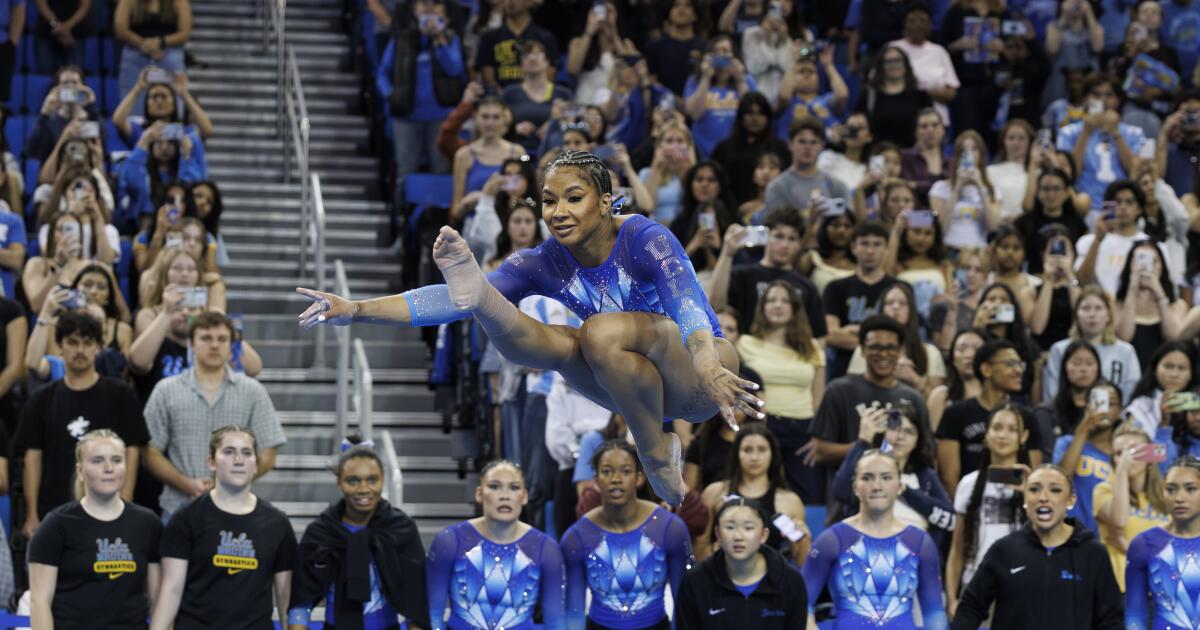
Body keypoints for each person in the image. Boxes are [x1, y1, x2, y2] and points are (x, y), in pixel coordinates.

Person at [298, 150, 764, 507]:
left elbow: (689, 309)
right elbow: (445, 300)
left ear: (605, 203)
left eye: (574, 198)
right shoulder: (543, 260)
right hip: (629, 384)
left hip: (701, 376)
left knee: (596, 332)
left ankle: (655, 450)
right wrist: (356, 308)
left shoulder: (645, 238)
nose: (558, 211)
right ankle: (485, 299)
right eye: (549, 200)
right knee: (550, 342)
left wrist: (709, 366)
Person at [16, 312, 149, 539]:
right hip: (53, 509)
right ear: (59, 346)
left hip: (110, 507)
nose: (80, 350)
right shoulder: (41, 399)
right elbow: (32, 457)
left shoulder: (121, 394)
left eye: (88, 343)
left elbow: (132, 450)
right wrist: (31, 515)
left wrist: (126, 501)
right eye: (72, 342)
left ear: (98, 347)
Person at [149, 427, 296, 630]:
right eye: (228, 452)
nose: (238, 460)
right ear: (211, 462)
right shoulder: (186, 518)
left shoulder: (277, 523)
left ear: (255, 464)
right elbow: (171, 589)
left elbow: (284, 595)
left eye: (246, 453)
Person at [142, 312, 285, 520]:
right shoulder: (166, 390)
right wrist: (187, 484)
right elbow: (149, 452)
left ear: (231, 346)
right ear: (191, 343)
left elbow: (269, 453)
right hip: (177, 509)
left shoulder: (253, 391)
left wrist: (230, 481)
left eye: (222, 339)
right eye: (206, 338)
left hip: (238, 509)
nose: (215, 345)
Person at [950, 465, 1123, 629]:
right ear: (1025, 499)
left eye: (1055, 490)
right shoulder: (1003, 550)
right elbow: (970, 608)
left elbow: (1111, 620)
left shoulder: (1093, 553)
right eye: (1034, 489)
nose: (1043, 497)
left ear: (1071, 500)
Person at [289, 437, 430, 629]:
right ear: (339, 482)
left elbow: (417, 603)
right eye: (353, 481)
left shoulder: (400, 529)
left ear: (383, 479)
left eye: (372, 480)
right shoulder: (320, 533)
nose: (363, 489)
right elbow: (301, 602)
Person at [28, 430, 163, 629]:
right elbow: (39, 601)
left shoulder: (148, 523)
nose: (108, 468)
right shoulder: (56, 524)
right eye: (97, 461)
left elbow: (158, 600)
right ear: (80, 471)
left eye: (117, 460)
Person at [802, 449, 948, 630]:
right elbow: (801, 603)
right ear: (855, 487)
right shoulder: (831, 540)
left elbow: (934, 613)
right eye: (867, 478)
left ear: (900, 486)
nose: (877, 486)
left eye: (886, 478)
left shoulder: (919, 541)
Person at [560, 440, 693, 629]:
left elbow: (684, 603)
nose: (616, 479)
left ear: (639, 478)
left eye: (625, 471)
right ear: (596, 481)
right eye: (607, 471)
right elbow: (574, 611)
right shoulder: (576, 538)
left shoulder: (671, 529)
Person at [425, 459, 564, 629]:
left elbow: (555, 622)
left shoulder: (547, 549)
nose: (504, 495)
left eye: (514, 488)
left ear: (524, 496)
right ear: (479, 494)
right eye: (494, 486)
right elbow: (433, 614)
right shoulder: (449, 541)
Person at [734, 281, 825, 503]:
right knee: (758, 495)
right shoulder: (744, 343)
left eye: (785, 301)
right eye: (772, 300)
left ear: (795, 308)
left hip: (803, 432)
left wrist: (819, 436)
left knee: (809, 497)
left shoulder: (812, 347)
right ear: (762, 307)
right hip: (762, 428)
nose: (778, 305)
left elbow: (819, 397)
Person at [943, 404, 1033, 615]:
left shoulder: (1034, 484)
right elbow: (957, 549)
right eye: (997, 427)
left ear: (1024, 436)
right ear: (987, 435)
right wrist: (952, 598)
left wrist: (1031, 493)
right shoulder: (969, 484)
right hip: (976, 586)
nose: (1003, 435)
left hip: (1022, 589)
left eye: (1012, 429)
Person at [808, 315, 929, 470]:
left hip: (900, 490)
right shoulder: (839, 391)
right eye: (875, 347)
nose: (883, 354)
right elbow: (819, 451)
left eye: (890, 347)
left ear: (899, 351)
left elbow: (925, 453)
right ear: (862, 350)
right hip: (848, 489)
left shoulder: (913, 398)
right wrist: (864, 445)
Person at [376, 0, 464, 210]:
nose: (428, 8)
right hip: (406, 118)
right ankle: (402, 230)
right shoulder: (401, 38)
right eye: (423, 4)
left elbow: (454, 68)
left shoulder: (449, 37)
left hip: (441, 118)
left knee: (441, 175)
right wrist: (390, 95)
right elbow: (382, 74)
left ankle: (436, 230)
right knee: (405, 176)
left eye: (434, 4)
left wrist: (439, 39)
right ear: (414, 9)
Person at [674, 497, 808, 629]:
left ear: (763, 535)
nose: (738, 537)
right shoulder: (695, 582)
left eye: (748, 528)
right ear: (718, 534)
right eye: (730, 527)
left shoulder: (791, 581)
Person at [833, 402, 955, 543]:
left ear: (917, 441)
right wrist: (863, 441)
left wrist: (905, 491)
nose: (900, 436)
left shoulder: (924, 475)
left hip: (916, 554)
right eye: (894, 428)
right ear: (883, 431)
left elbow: (950, 520)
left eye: (909, 431)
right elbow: (841, 492)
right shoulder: (866, 467)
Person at [936, 339, 1045, 498]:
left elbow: (1034, 475)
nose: (1018, 371)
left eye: (1020, 364)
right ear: (987, 369)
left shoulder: (1027, 417)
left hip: (1017, 503)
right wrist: (967, 512)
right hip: (968, 501)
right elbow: (948, 478)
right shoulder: (956, 413)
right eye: (1010, 364)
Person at [698, 422, 811, 562]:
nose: (755, 457)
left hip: (771, 580)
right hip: (720, 575)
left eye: (762, 449)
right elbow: (699, 549)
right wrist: (714, 549)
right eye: (747, 450)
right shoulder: (714, 493)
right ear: (736, 454)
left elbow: (802, 563)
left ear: (772, 454)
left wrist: (805, 542)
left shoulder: (790, 501)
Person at [708, 208, 826, 338]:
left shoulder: (807, 287)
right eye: (779, 236)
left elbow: (819, 336)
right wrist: (727, 253)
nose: (785, 245)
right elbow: (716, 307)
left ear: (799, 244)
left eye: (792, 239)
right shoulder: (742, 275)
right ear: (765, 237)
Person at [1093, 422, 1170, 593]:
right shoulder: (1103, 490)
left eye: (1134, 450)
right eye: (1119, 453)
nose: (1126, 457)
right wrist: (1121, 471)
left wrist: (1127, 546)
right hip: (1122, 589)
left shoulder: (1168, 498)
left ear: (1150, 456)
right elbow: (1119, 521)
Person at [1124, 456, 1200, 629]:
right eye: (1171, 489)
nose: (1179, 498)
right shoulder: (1144, 544)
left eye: (1190, 489)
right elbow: (1135, 615)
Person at [1054, 74, 1146, 209]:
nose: (1103, 100)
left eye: (1109, 95)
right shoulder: (1068, 132)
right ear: (1086, 99)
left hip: (1124, 208)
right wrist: (1086, 132)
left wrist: (1116, 133)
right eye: (1096, 95)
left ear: (1118, 100)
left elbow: (1135, 172)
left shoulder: (1134, 133)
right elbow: (1069, 176)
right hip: (1084, 207)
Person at [821, 221, 895, 379]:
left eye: (877, 244)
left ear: (887, 248)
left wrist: (852, 331)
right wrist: (880, 345)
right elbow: (830, 335)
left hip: (888, 373)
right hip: (842, 372)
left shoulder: (899, 289)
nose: (870, 250)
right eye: (864, 243)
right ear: (854, 247)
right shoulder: (836, 288)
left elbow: (904, 336)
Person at [1042, 286, 1142, 404]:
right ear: (1076, 315)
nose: (1092, 314)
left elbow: (1132, 393)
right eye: (1086, 308)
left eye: (1098, 308)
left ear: (1108, 315)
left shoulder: (1126, 351)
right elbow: (1052, 392)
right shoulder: (1059, 349)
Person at [846, 282, 946, 397]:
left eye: (902, 303)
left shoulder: (931, 353)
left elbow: (938, 402)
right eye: (889, 303)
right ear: (882, 309)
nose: (896, 307)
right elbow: (851, 393)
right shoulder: (864, 350)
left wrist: (915, 379)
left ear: (911, 310)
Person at [1054, 379, 1123, 533]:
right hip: (1070, 535)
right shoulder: (1067, 443)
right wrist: (1083, 429)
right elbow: (1059, 480)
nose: (1104, 410)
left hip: (1108, 541)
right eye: (1098, 402)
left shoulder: (1123, 452)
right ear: (1087, 406)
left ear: (1120, 411)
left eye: (1110, 404)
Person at [450, 97, 524, 225]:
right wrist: (468, 202)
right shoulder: (464, 155)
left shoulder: (517, 152)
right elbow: (455, 212)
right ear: (476, 118)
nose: (490, 123)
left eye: (496, 117)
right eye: (485, 117)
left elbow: (522, 199)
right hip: (475, 225)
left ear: (504, 119)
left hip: (508, 224)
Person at [1115, 240, 1188, 368]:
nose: (1145, 265)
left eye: (1153, 261)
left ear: (1162, 266)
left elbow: (1173, 338)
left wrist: (1159, 293)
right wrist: (1132, 290)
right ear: (1129, 265)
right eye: (1139, 260)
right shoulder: (1116, 304)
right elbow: (1124, 337)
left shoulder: (1177, 305)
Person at [710, 92, 790, 207]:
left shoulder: (780, 148)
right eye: (750, 113)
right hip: (730, 210)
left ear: (768, 117)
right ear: (741, 116)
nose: (755, 118)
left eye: (761, 113)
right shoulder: (724, 148)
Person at [683, 35, 756, 159]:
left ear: (735, 56)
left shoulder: (746, 80)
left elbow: (752, 115)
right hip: (702, 152)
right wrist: (706, 77)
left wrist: (740, 80)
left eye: (726, 51)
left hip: (738, 151)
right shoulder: (695, 80)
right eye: (716, 51)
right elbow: (694, 114)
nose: (721, 55)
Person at [113, 0, 192, 113]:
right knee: (131, 57)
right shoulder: (129, 2)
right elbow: (120, 29)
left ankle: (173, 123)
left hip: (168, 52)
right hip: (136, 51)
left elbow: (184, 33)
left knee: (173, 59)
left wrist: (160, 42)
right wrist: (144, 44)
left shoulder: (178, 2)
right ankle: (134, 124)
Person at [929, 130, 1001, 252]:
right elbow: (939, 226)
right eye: (963, 151)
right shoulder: (939, 188)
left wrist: (980, 187)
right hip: (950, 249)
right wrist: (956, 190)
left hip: (979, 252)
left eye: (974, 149)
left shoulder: (992, 190)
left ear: (981, 155)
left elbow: (994, 228)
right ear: (956, 157)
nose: (969, 155)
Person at [763, 115, 848, 213]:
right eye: (802, 142)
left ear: (821, 146)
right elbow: (776, 226)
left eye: (814, 142)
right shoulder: (777, 188)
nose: (808, 147)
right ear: (790, 144)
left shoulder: (837, 187)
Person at [883, 209, 954, 323]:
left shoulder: (944, 265)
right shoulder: (896, 264)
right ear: (906, 232)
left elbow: (950, 299)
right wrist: (896, 232)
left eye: (928, 233)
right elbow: (884, 278)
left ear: (935, 236)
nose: (921, 238)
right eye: (916, 231)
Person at [854, 46, 933, 149]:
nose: (893, 65)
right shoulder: (868, 95)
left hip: (913, 156)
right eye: (888, 61)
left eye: (898, 60)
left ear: (906, 64)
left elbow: (930, 126)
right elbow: (857, 124)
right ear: (881, 66)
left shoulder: (920, 95)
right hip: (877, 155)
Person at [503, 40, 573, 154]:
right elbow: (499, 123)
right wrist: (515, 129)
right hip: (517, 151)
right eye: (526, 55)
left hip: (554, 153)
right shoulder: (509, 93)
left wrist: (553, 122)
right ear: (521, 65)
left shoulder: (563, 94)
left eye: (537, 54)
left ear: (547, 61)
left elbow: (572, 128)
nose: (532, 58)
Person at [1036, 340, 1101, 459]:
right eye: (1076, 363)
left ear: (1098, 368)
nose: (1083, 369)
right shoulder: (1046, 412)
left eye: (1089, 363)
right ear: (1064, 367)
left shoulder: (1104, 410)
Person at [474, 0, 558, 90]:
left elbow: (549, 78)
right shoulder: (489, 38)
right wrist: (507, 98)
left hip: (536, 100)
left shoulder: (545, 38)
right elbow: (489, 81)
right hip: (501, 100)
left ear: (529, 2)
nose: (510, 1)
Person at [1123, 342, 1198, 440]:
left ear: (1191, 373)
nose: (1174, 374)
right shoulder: (1139, 407)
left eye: (1182, 368)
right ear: (1155, 370)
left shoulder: (1197, 402)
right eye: (1168, 366)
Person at [775, 44, 848, 142]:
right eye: (801, 71)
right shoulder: (789, 102)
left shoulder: (826, 100)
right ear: (792, 77)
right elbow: (783, 96)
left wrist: (828, 65)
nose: (807, 74)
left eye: (811, 71)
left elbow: (842, 95)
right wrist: (793, 63)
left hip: (826, 153)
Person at [642, 0, 708, 96]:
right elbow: (651, 81)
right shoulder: (654, 46)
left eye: (687, 5)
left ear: (695, 15)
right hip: (663, 105)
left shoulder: (704, 47)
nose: (681, 9)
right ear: (669, 13)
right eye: (676, 5)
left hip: (697, 104)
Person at [638, 120, 695, 225]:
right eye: (669, 141)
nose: (675, 146)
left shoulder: (695, 174)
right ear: (659, 146)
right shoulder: (645, 173)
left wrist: (682, 169)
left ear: (688, 146)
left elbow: (692, 204)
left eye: (680, 141)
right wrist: (657, 168)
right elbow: (648, 207)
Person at [928, 329, 985, 431]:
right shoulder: (941, 396)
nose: (970, 355)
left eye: (977, 349)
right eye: (962, 349)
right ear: (953, 359)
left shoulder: (999, 396)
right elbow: (934, 440)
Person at [796, 208, 855, 295]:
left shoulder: (860, 263)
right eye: (835, 225)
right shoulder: (813, 258)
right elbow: (793, 267)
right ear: (824, 228)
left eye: (847, 226)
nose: (841, 231)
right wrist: (810, 226)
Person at [900, 108, 947, 200]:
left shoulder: (951, 162)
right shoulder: (904, 157)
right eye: (924, 126)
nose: (930, 130)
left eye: (935, 125)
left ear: (943, 130)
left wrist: (917, 185)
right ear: (916, 131)